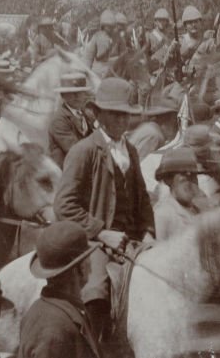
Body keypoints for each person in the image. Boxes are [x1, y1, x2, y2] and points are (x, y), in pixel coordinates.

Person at [53, 77, 154, 338]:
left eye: (126, 115)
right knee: (96, 290)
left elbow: (142, 197)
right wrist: (100, 232)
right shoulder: (83, 150)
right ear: (98, 115)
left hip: (131, 237)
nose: (122, 121)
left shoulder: (130, 150)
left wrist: (149, 231)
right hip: (95, 241)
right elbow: (64, 205)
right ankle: (94, 346)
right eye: (115, 114)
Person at [19, 221, 102, 358]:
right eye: (87, 258)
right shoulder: (52, 327)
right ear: (79, 268)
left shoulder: (63, 310)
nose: (91, 263)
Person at [153, 147, 205, 240]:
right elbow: (158, 250)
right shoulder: (163, 214)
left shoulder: (197, 211)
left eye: (194, 176)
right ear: (168, 180)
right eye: (183, 176)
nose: (190, 182)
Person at [48, 72, 94, 168]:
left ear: (85, 94)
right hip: (65, 170)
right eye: (71, 93)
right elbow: (75, 150)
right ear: (63, 96)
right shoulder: (58, 120)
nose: (76, 97)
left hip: (83, 166)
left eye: (80, 93)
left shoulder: (85, 114)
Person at [82, 11, 119, 79]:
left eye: (111, 27)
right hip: (96, 66)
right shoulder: (100, 36)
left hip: (101, 65)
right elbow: (100, 56)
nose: (110, 29)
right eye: (108, 27)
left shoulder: (108, 36)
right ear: (103, 26)